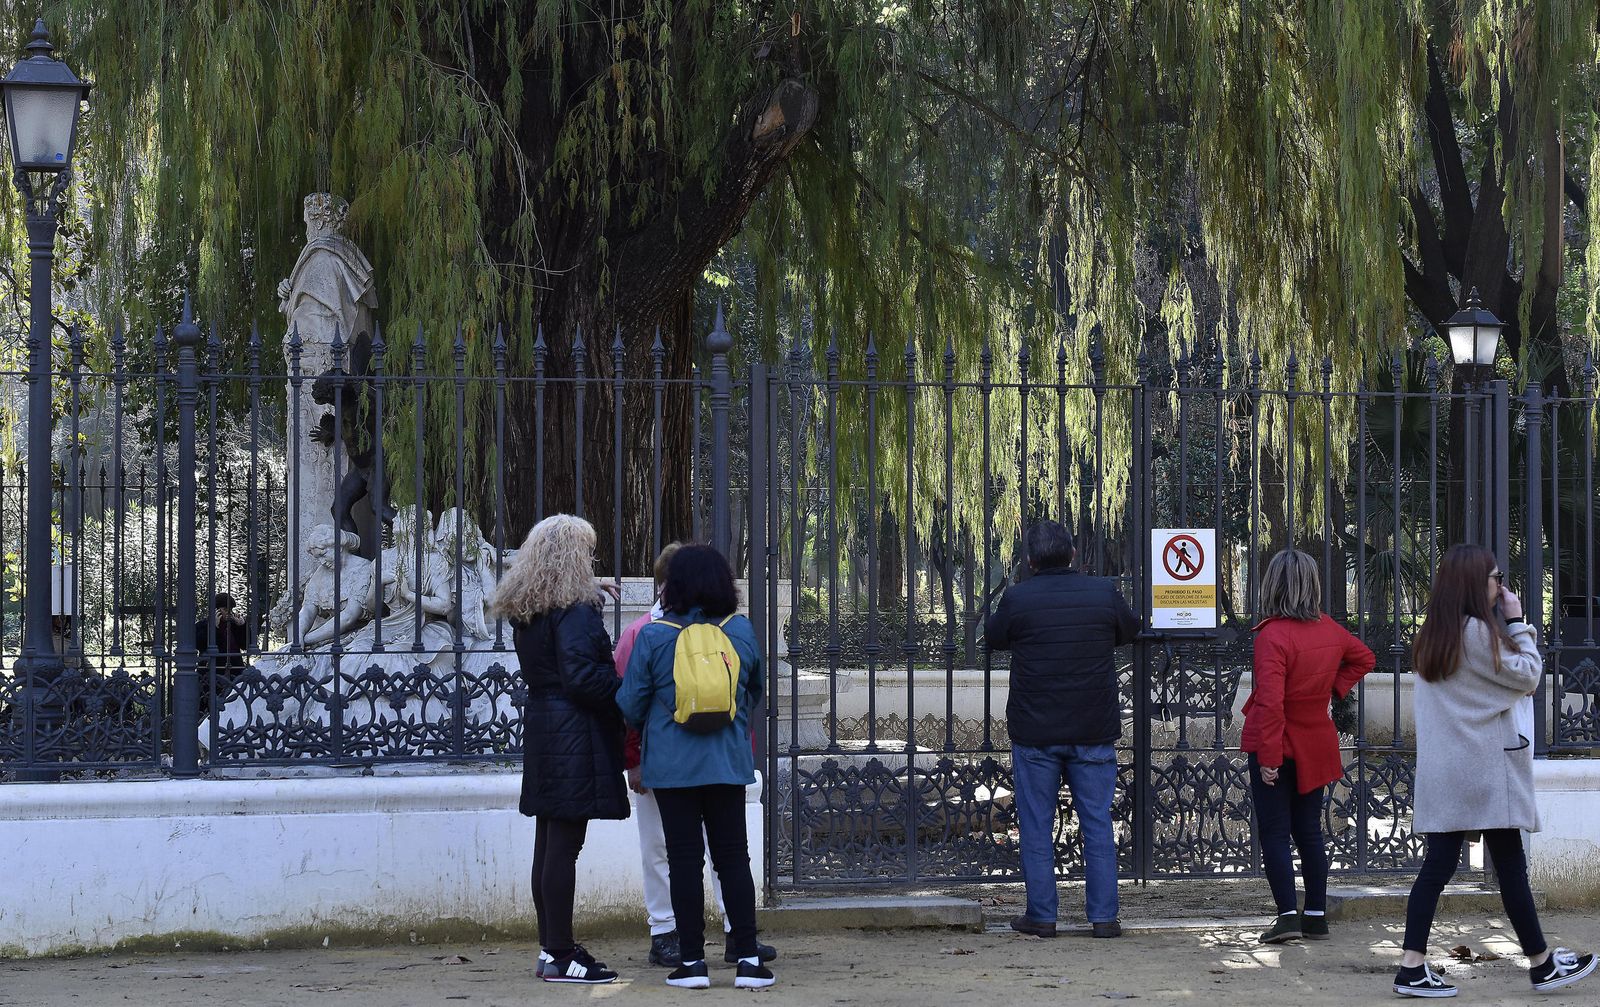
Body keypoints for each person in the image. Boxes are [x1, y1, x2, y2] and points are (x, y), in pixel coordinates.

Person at [1392, 544, 1595, 998]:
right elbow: (1527, 676)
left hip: (1451, 771)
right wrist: (1519, 620)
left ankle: (1417, 965)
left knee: (1440, 867)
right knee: (1509, 868)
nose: (1501, 586)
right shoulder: (1476, 636)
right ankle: (1538, 965)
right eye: (1495, 578)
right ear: (1473, 583)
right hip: (1485, 770)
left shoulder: (1433, 637)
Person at [612, 544, 778, 969]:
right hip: (727, 761)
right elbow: (754, 690)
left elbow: (629, 705)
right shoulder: (740, 631)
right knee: (732, 857)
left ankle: (690, 963)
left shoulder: (652, 635)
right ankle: (747, 958)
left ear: (674, 586)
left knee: (683, 860)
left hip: (671, 767)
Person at [491, 514, 629, 986]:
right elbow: (581, 675)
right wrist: (623, 689)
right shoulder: (574, 610)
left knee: (549, 843)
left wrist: (591, 587)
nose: (591, 559)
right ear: (573, 557)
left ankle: (552, 948)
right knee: (563, 847)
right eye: (586, 553)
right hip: (575, 733)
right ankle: (561, 954)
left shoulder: (533, 607)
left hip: (547, 728)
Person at [986, 520, 1139, 939]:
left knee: (1036, 824)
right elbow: (1131, 629)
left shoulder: (1018, 598)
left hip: (1036, 731)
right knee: (1096, 823)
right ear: (1073, 554)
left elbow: (993, 636)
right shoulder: (1101, 593)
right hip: (1093, 729)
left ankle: (1043, 915)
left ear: (1031, 560)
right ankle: (1104, 918)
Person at [1239, 550, 1374, 944]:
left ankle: (1286, 916)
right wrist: (1330, 688)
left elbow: (1270, 702)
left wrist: (1267, 759)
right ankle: (1315, 913)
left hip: (1278, 744)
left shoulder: (1271, 635)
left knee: (1276, 834)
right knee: (1309, 832)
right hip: (1316, 741)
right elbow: (1365, 658)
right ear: (1312, 586)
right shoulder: (1330, 628)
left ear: (1272, 586)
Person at [194, 593, 250, 712]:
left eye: (230, 609)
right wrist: (213, 628)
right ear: (216, 610)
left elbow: (246, 645)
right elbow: (200, 645)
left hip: (235, 671)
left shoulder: (235, 625)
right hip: (210, 674)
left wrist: (242, 626)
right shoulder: (202, 625)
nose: (228, 612)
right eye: (225, 609)